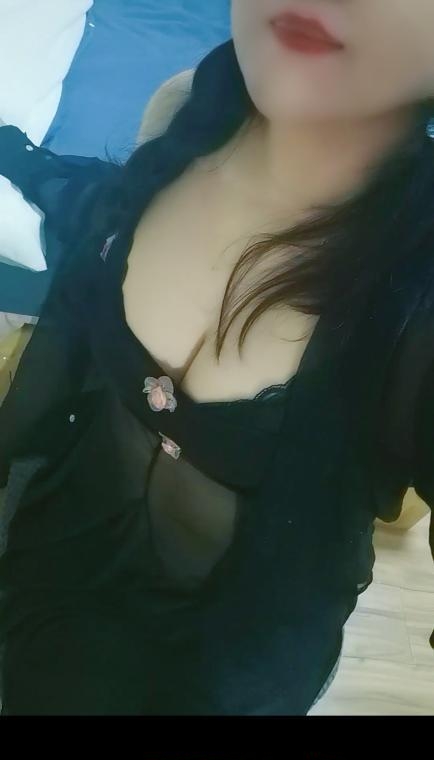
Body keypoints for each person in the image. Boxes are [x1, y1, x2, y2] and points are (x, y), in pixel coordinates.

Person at [0, 0, 433, 715]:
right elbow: (97, 214)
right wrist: (18, 155)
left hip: (221, 679)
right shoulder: (184, 115)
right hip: (45, 575)